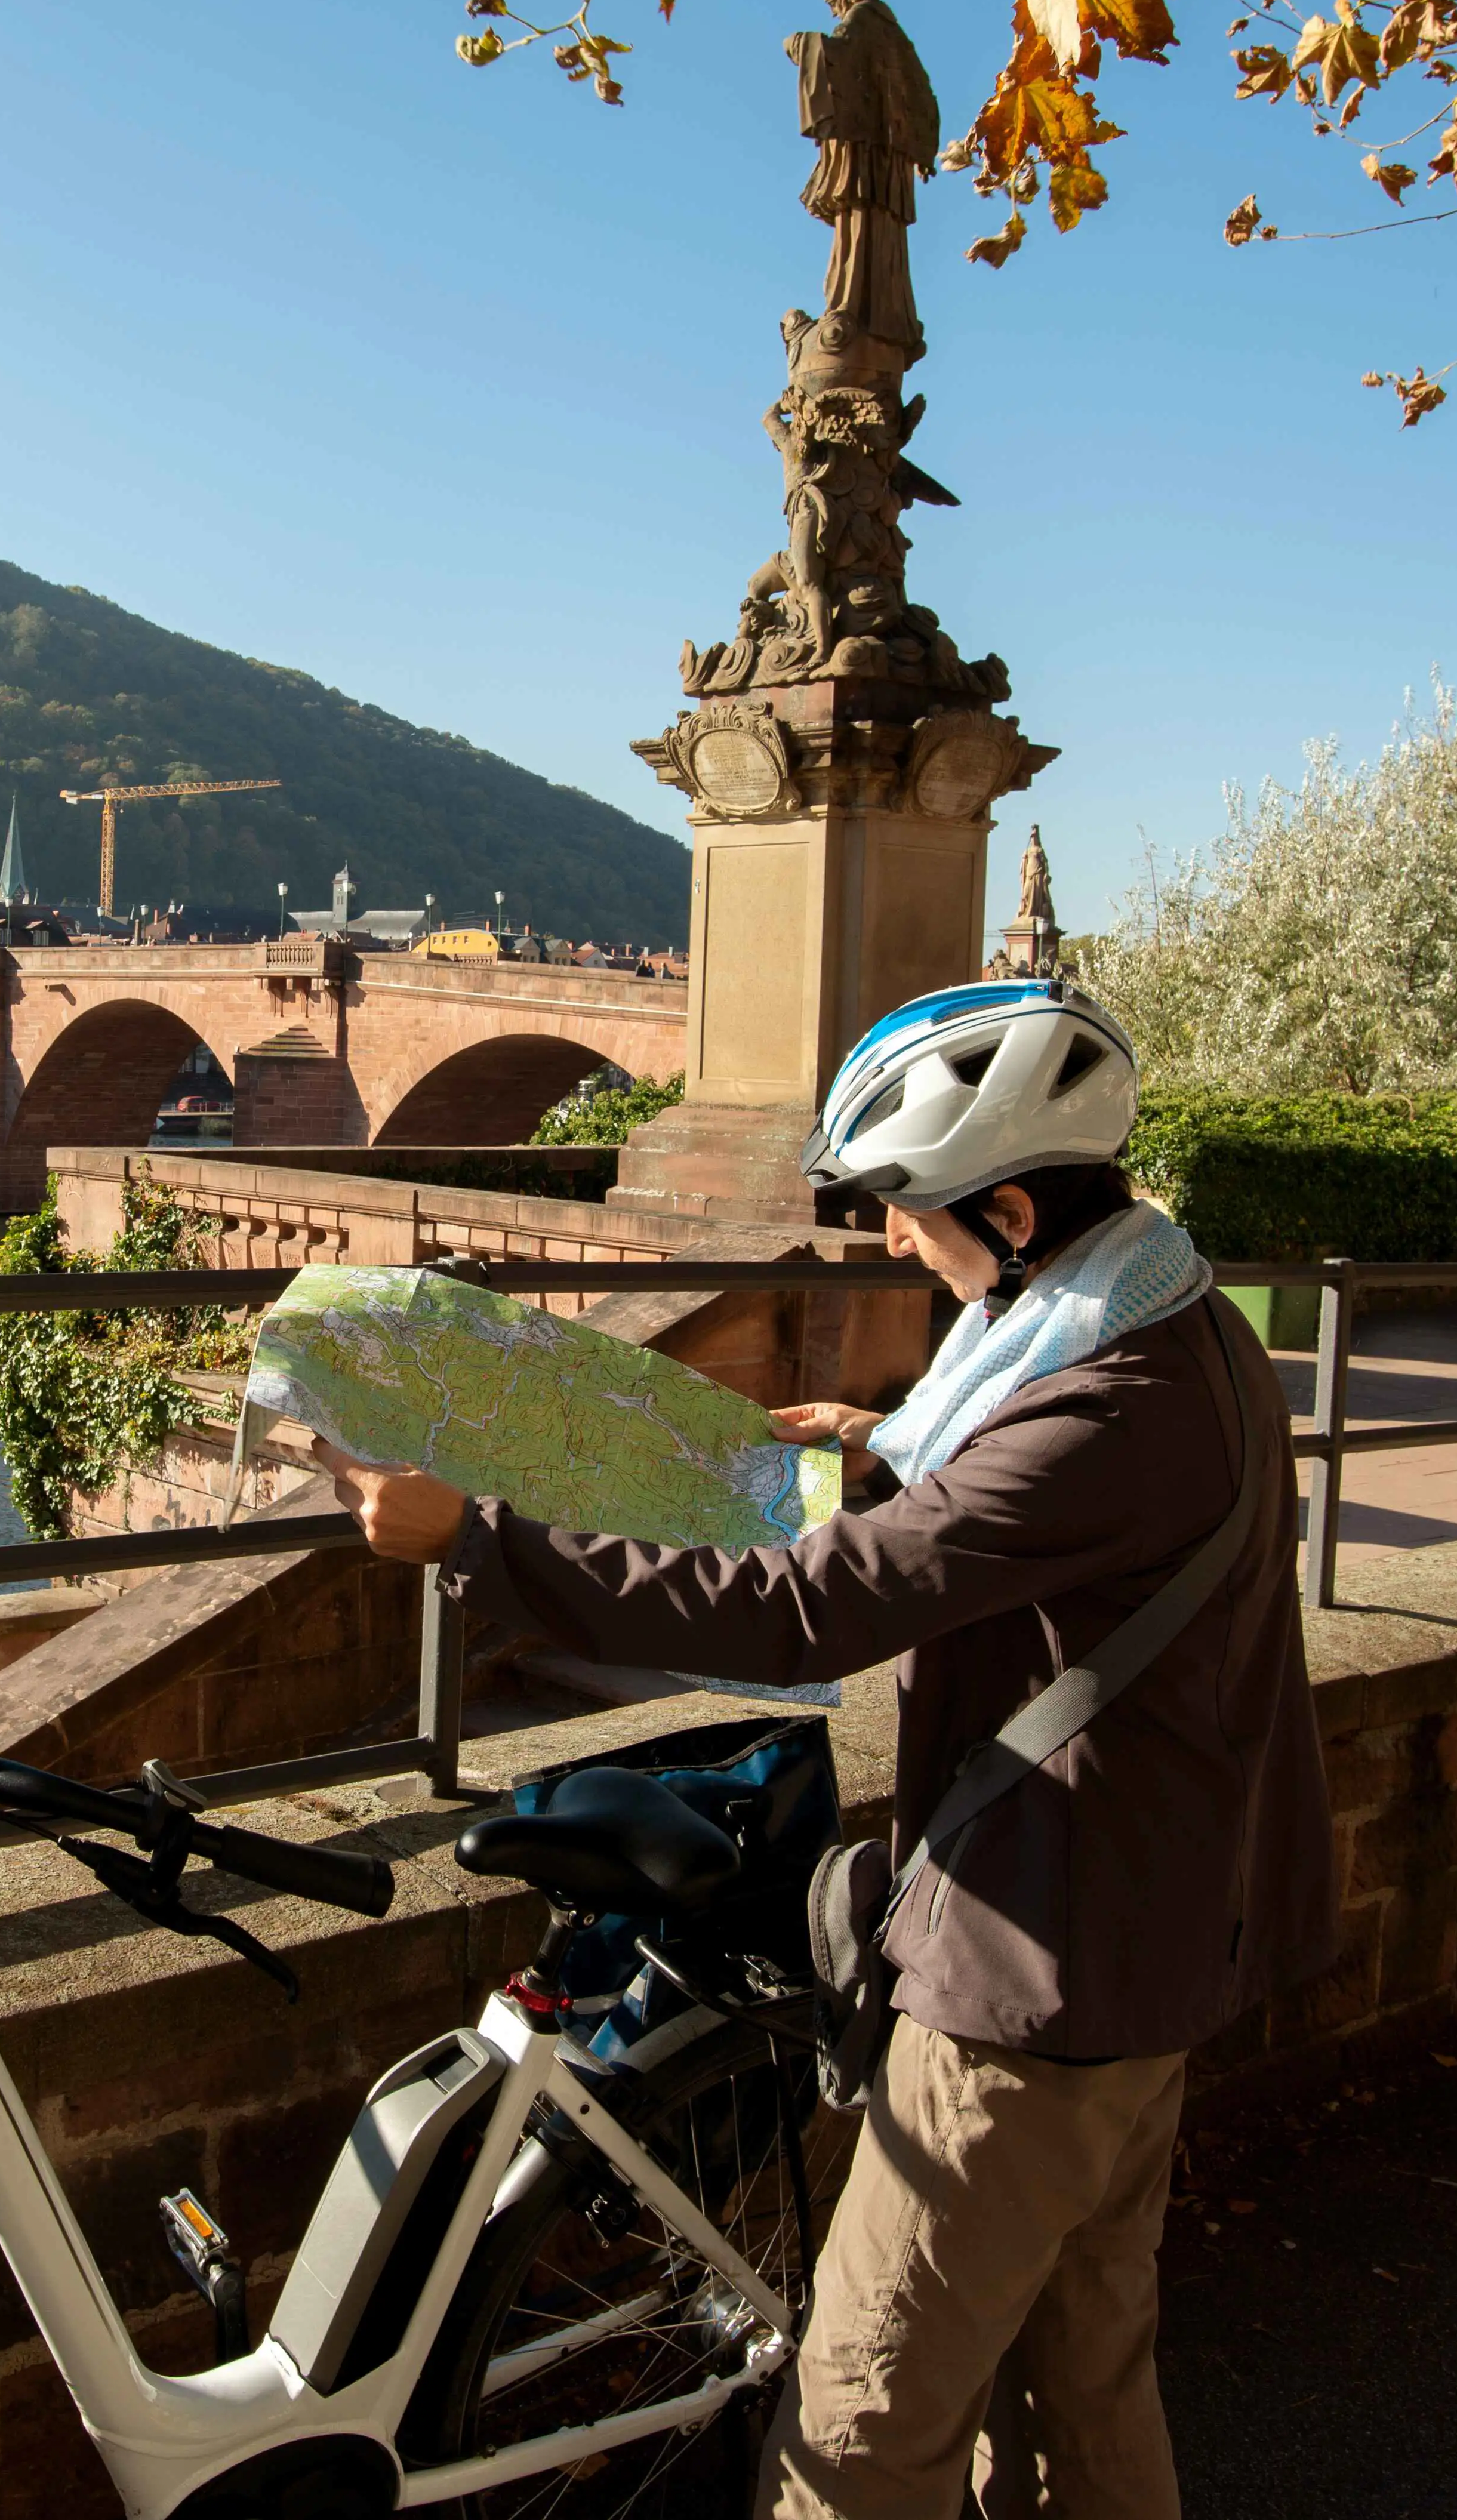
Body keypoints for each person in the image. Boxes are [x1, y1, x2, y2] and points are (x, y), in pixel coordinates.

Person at [319, 979, 1335, 2520]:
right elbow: (1045, 1500)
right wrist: (876, 1440)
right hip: (1156, 1928)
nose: (887, 1243)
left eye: (906, 1214)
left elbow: (803, 1615)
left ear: (1004, 1208)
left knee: (867, 2417)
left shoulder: (1104, 1406)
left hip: (1039, 1967)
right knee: (1078, 2368)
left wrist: (479, 1540)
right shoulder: (1169, 1320)